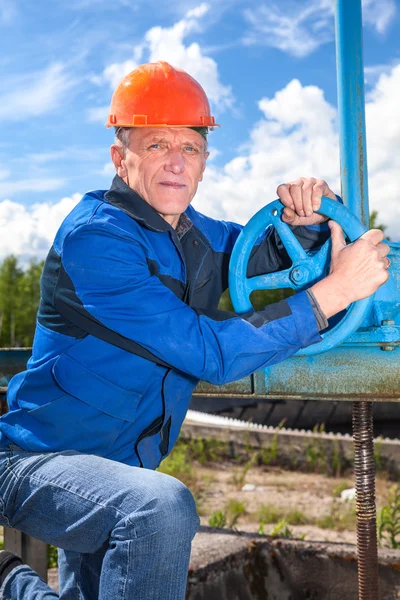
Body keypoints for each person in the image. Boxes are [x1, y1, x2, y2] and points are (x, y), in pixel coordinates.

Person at [0, 61, 389, 600]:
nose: (175, 164)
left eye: (190, 147)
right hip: (41, 463)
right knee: (159, 510)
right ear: (121, 158)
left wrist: (313, 218)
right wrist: (336, 293)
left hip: (116, 472)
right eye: (156, 145)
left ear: (205, 162)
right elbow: (210, 352)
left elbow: (268, 254)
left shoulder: (195, 235)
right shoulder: (97, 240)